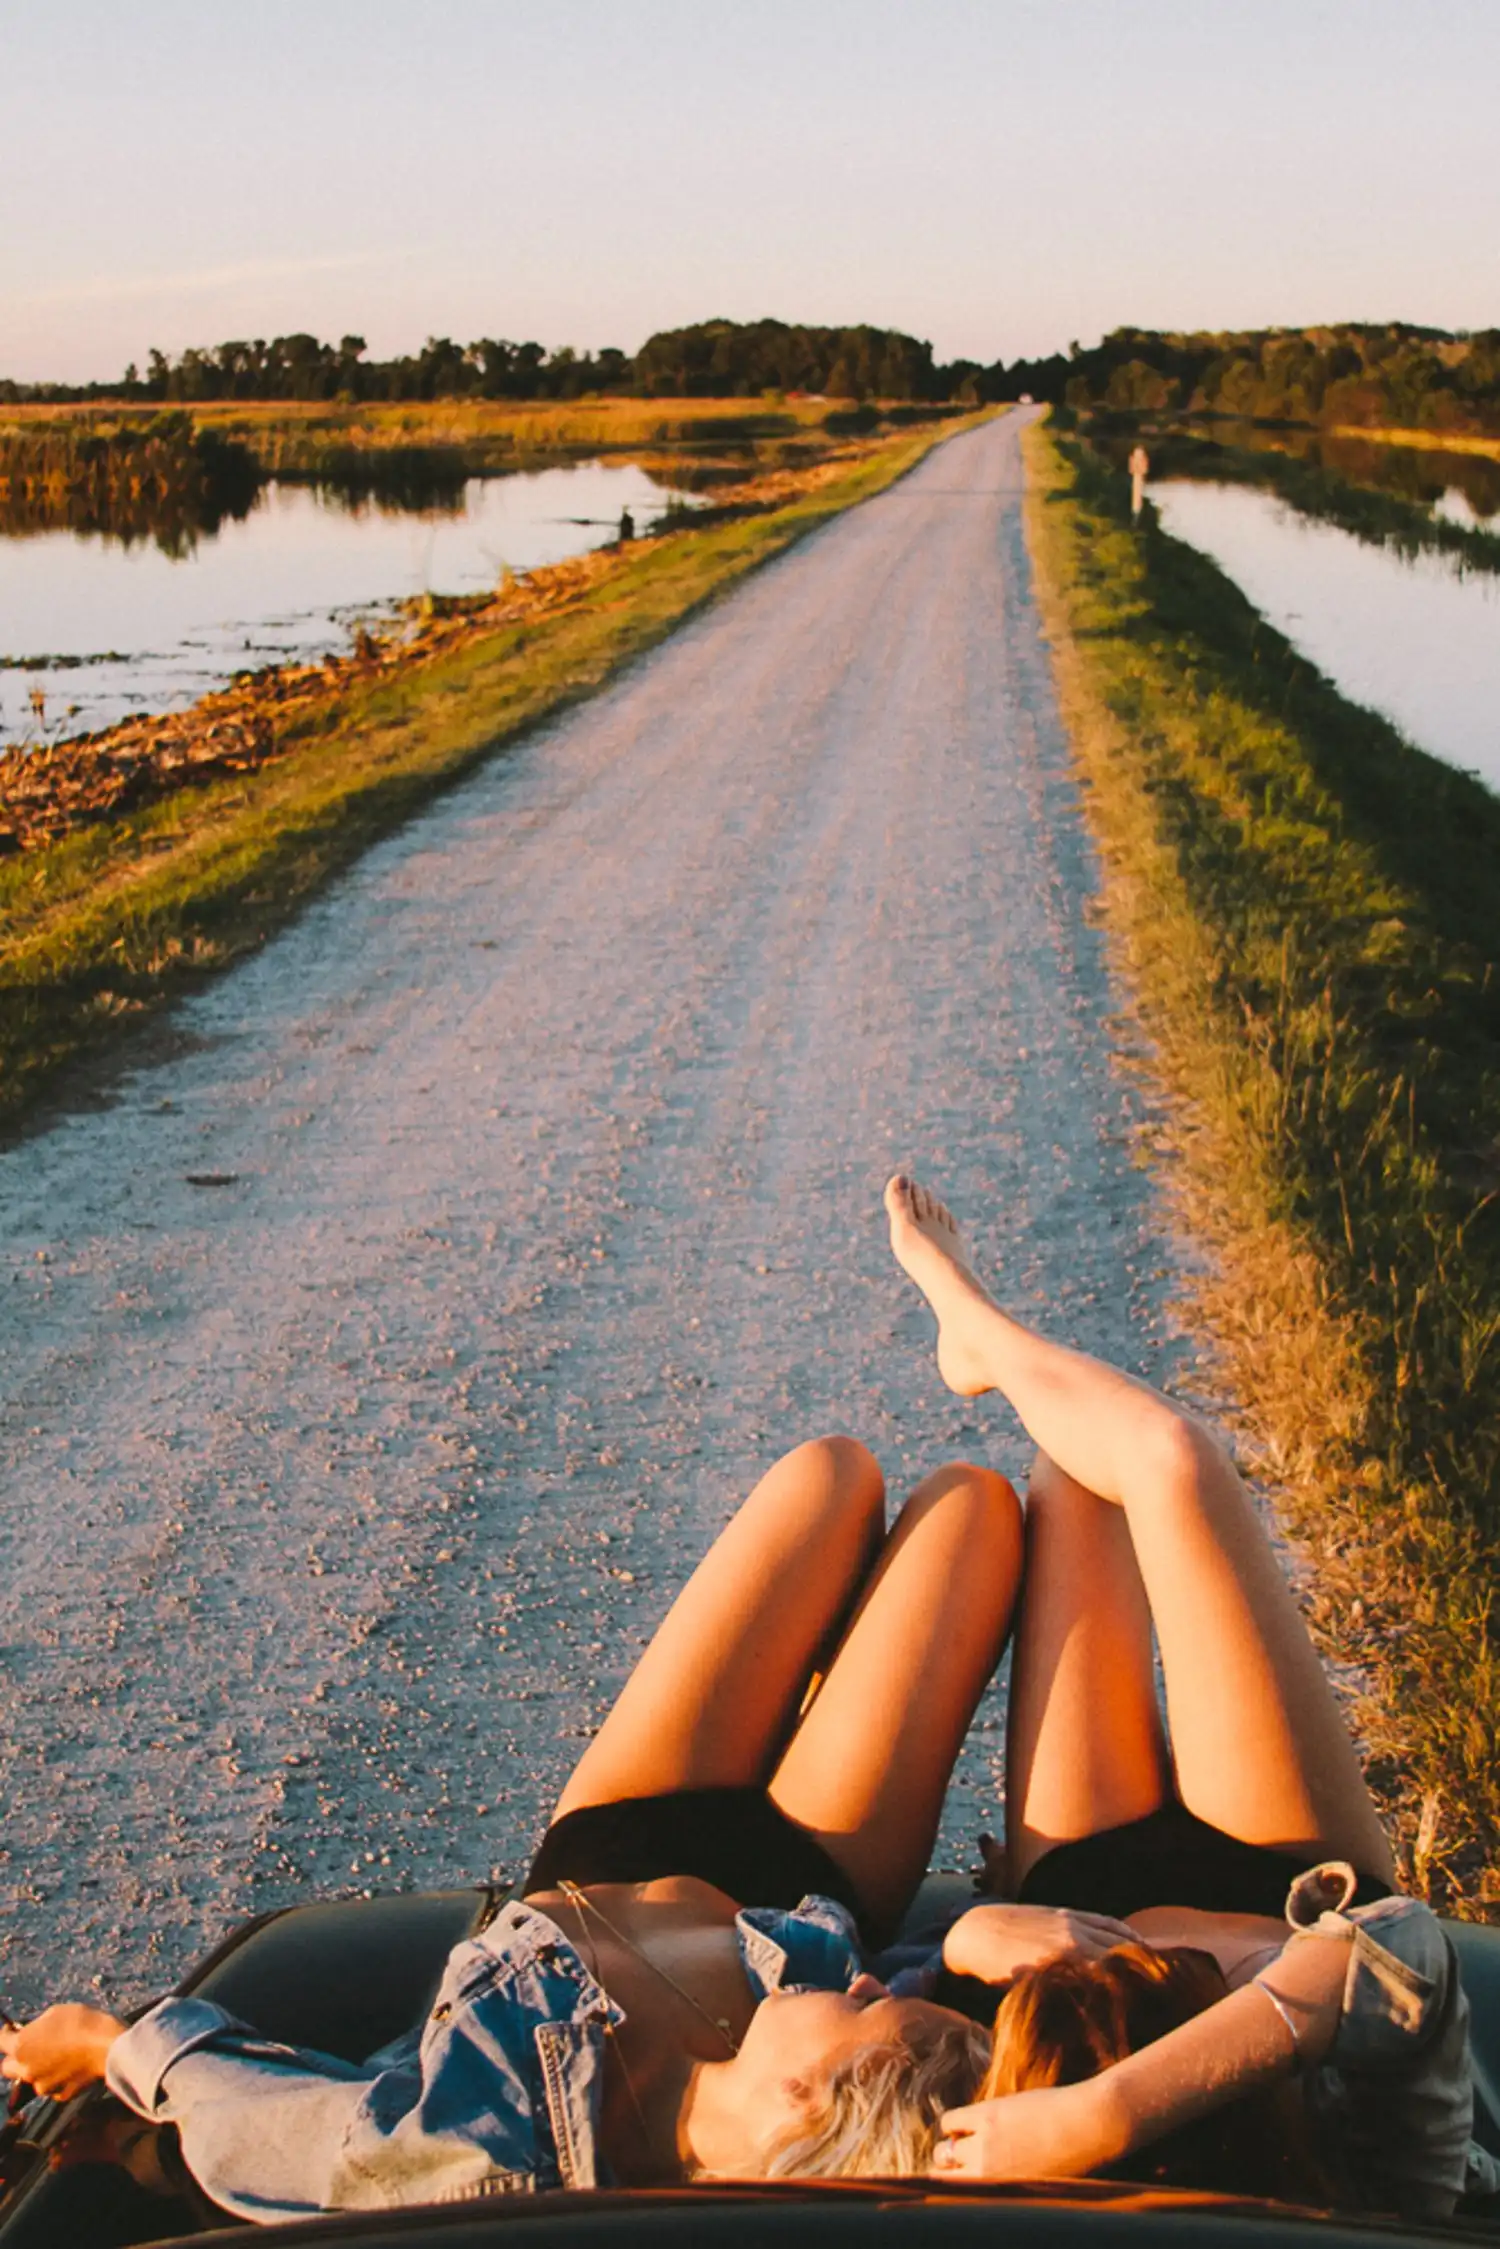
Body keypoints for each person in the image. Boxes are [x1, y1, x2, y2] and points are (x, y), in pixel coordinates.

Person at [0, 1238, 1044, 2216]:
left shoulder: (482, 2139)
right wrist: (980, 1919)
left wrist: (108, 2044)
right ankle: (820, 1674)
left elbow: (273, 2127)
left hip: (614, 1854)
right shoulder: (834, 1988)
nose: (873, 1981)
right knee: (944, 1498)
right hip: (799, 1899)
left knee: (851, 1479)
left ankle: (810, 1690)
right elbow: (909, 1981)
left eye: (867, 2007)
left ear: (803, 2097)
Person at [874, 1175, 1494, 2219]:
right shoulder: (1378, 2174)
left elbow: (864, 2023)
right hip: (1285, 1881)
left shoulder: (1018, 2181)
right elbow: (1401, 1947)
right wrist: (1109, 2111)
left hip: (1085, 1897)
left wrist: (967, 1944)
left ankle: (981, 1335)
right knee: (1165, 1460)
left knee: (1075, 1476)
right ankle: (975, 1327)